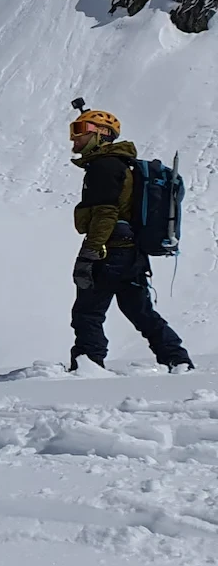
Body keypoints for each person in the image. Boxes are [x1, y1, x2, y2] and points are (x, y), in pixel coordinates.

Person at [66, 110, 194, 372]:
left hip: (109, 250)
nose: (74, 138)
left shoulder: (105, 166)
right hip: (132, 252)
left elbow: (106, 212)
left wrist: (89, 254)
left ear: (100, 133)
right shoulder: (123, 165)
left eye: (80, 129)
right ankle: (177, 360)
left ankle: (87, 367)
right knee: (141, 313)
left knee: (88, 312)